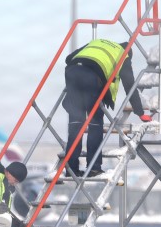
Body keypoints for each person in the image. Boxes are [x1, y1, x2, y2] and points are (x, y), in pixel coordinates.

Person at [63, 38, 151, 178]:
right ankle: (94, 167)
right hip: (91, 79)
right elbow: (130, 86)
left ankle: (71, 169)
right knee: (95, 124)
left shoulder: (98, 42)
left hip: (72, 72)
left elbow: (69, 58)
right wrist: (140, 112)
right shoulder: (124, 55)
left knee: (76, 125)